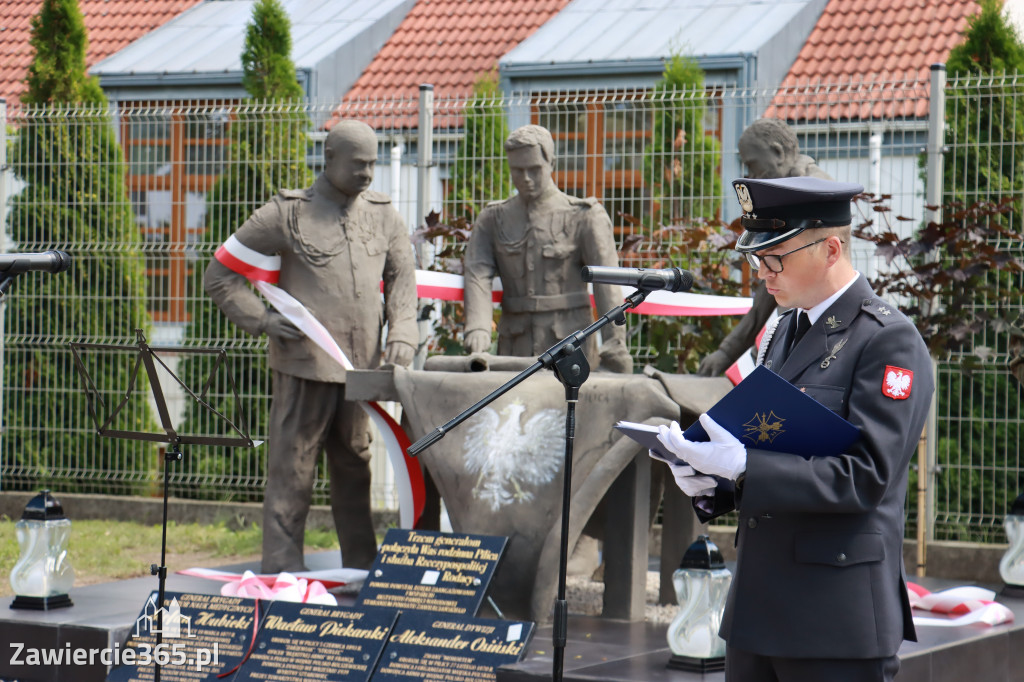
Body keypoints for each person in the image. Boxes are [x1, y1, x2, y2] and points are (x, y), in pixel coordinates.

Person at [655, 176, 934, 681]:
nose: (761, 272)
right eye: (755, 258)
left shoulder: (889, 341)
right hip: (759, 610)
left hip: (835, 618)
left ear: (830, 249)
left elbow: (866, 475)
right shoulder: (786, 327)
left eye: (775, 257)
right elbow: (778, 445)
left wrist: (745, 467)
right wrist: (717, 482)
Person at [204, 119, 418, 573]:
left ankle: (360, 567)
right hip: (304, 366)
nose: (367, 174)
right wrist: (261, 320)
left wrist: (402, 332)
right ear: (329, 159)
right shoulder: (287, 214)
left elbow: (403, 278)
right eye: (358, 164)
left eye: (373, 164)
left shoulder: (383, 214)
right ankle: (282, 570)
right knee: (292, 469)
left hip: (359, 370)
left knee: (355, 467)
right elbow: (219, 274)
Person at [462, 124, 632, 374]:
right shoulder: (493, 219)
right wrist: (477, 328)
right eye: (517, 171)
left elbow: (607, 283)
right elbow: (477, 272)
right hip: (515, 344)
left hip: (570, 342)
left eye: (534, 169)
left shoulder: (583, 216)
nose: (526, 178)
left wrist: (615, 344)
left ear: (551, 163)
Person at [698, 118, 832, 378]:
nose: (750, 177)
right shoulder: (786, 196)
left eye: (753, 165)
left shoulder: (818, 193)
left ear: (778, 153)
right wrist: (727, 352)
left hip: (821, 337)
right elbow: (769, 287)